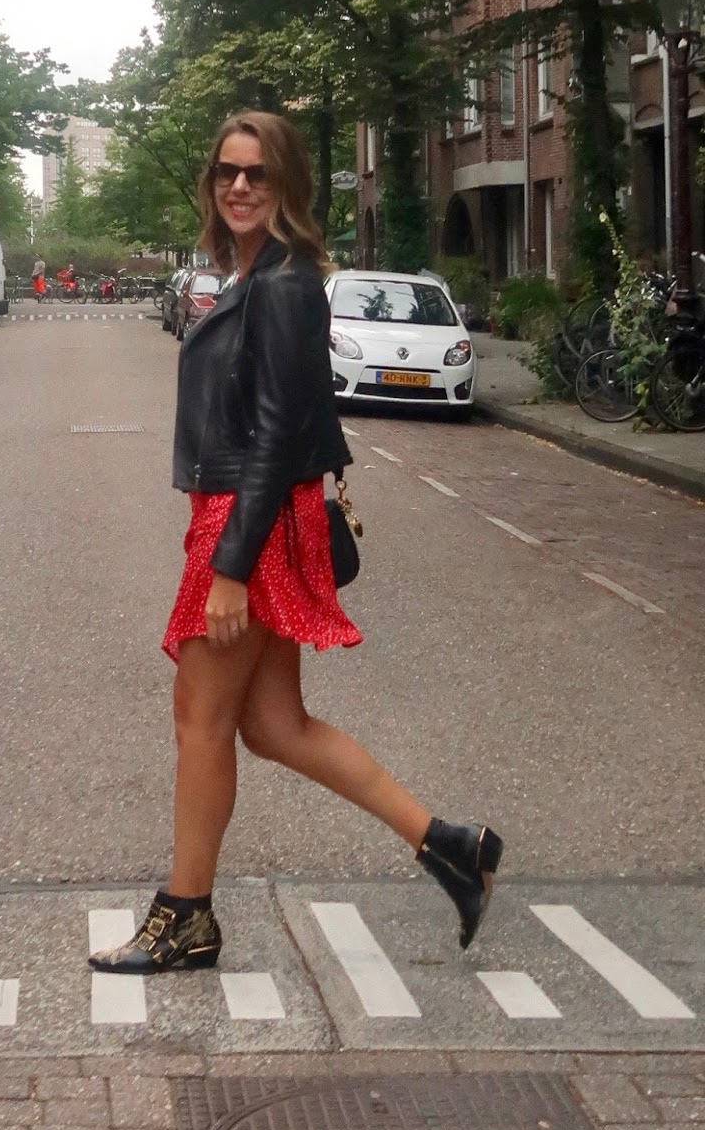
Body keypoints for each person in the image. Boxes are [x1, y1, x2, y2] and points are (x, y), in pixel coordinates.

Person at [89, 112, 502, 975]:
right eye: (227, 172)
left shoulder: (281, 285)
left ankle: (186, 915)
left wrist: (230, 568)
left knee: (201, 719)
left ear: (288, 186)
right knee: (275, 725)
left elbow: (276, 436)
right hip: (256, 514)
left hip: (249, 520)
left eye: (259, 174)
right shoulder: (261, 275)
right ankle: (449, 846)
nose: (239, 187)